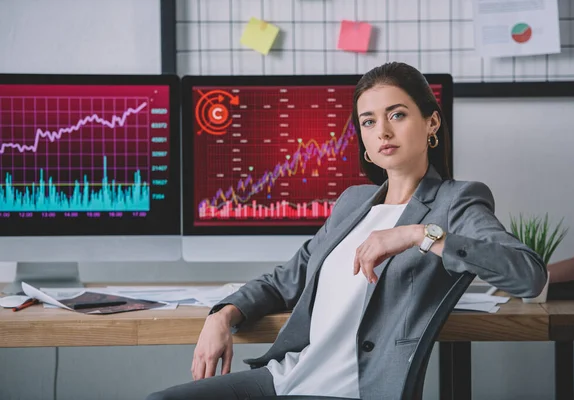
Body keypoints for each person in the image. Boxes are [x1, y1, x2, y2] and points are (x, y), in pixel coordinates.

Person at [146, 62, 547, 400]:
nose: (382, 132)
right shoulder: (353, 203)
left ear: (432, 122)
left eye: (397, 114)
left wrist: (419, 235)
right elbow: (285, 279)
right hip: (286, 377)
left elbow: (529, 276)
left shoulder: (455, 202)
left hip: (353, 389)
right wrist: (222, 315)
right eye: (368, 122)